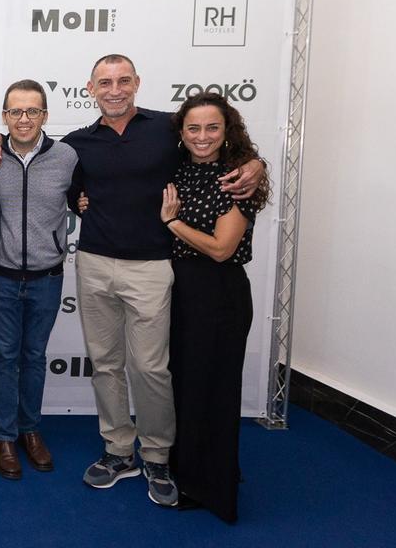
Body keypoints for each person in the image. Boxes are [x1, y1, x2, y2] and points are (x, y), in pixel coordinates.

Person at [49, 54, 262, 507]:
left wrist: (256, 163)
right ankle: (117, 449)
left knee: (149, 368)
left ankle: (158, 455)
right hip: (93, 263)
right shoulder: (77, 142)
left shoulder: (169, 129)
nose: (114, 89)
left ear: (137, 83)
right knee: (105, 364)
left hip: (151, 267)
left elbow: (218, 144)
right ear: (90, 88)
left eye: (123, 80)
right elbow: (45, 166)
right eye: (104, 82)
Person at [162, 93, 269, 523]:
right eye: (194, 128)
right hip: (182, 291)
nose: (202, 136)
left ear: (228, 132)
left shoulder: (238, 178)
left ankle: (212, 487)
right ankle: (187, 471)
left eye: (212, 128)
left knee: (215, 390)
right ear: (182, 133)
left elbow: (223, 250)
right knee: (186, 387)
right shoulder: (180, 169)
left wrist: (172, 223)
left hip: (219, 293)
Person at [0, 80, 78, 480]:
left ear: (45, 115)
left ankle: (30, 430)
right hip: (2, 278)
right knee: (5, 358)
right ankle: (4, 436)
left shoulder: (68, 157)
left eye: (32, 111)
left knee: (35, 358)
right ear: (4, 116)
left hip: (47, 278)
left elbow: (89, 193)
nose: (24, 119)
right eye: (15, 112)